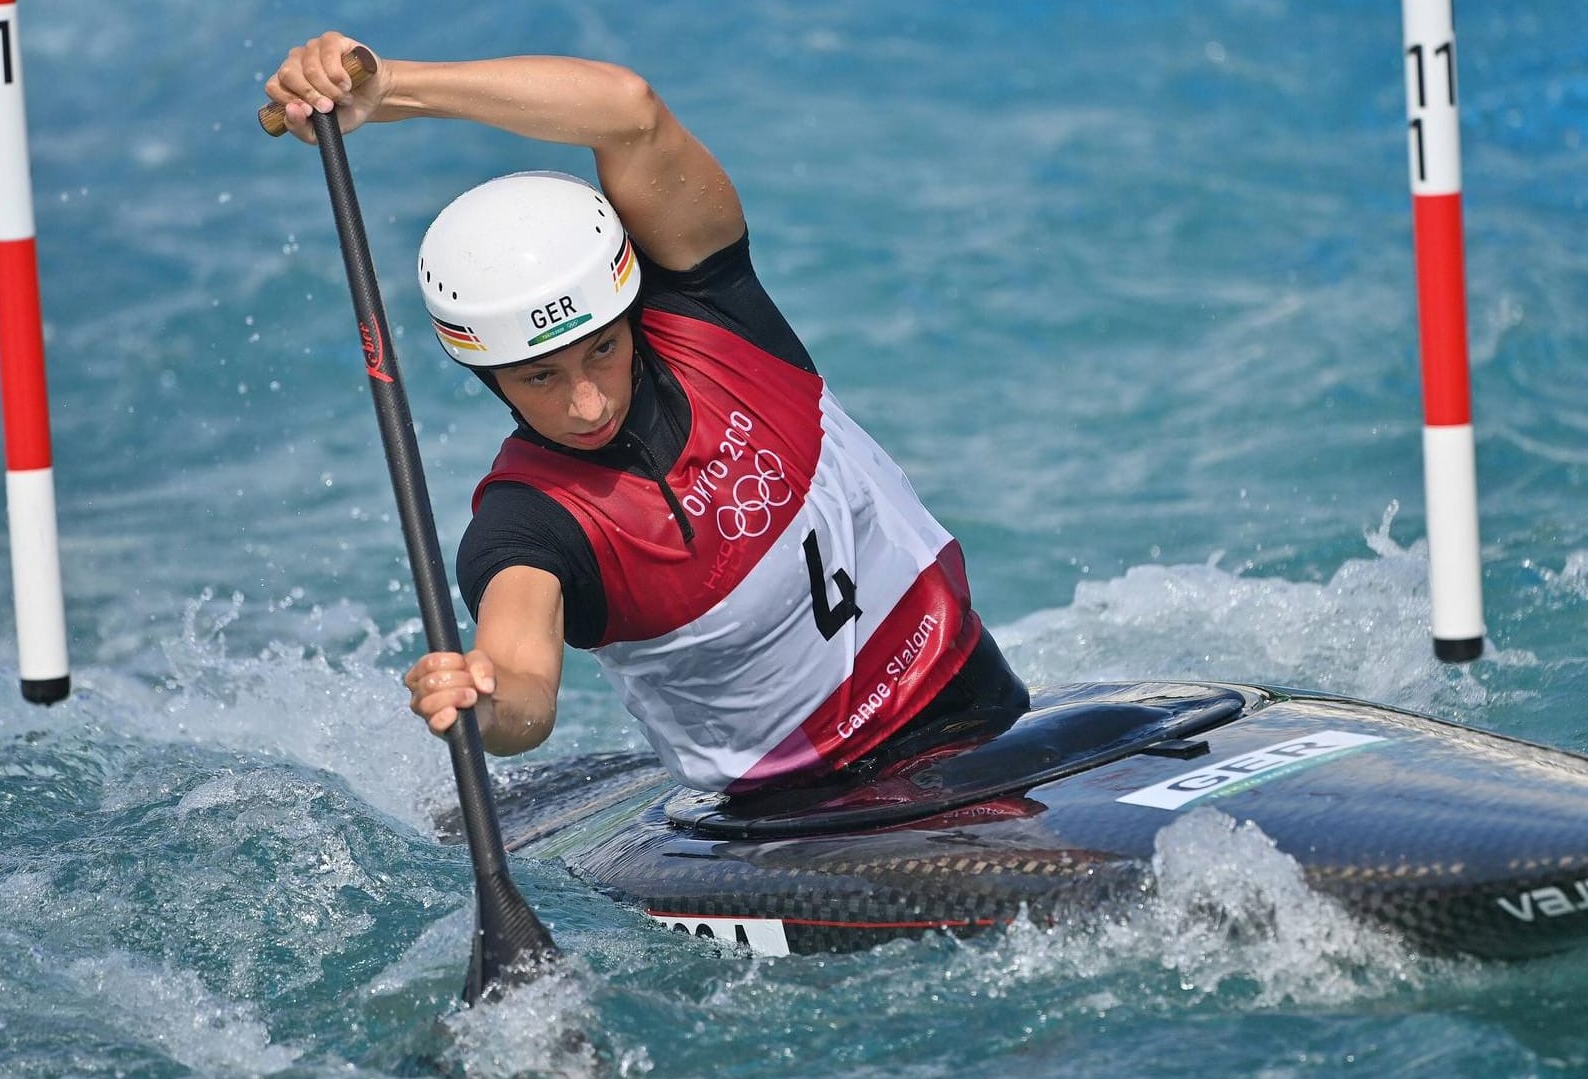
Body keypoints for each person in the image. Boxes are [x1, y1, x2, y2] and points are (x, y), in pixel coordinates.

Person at [267, 32, 1028, 795]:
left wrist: (391, 85)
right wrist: (484, 700)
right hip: (806, 814)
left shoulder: (713, 312)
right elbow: (526, 683)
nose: (587, 401)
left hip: (979, 705)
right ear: (488, 375)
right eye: (541, 376)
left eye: (601, 349)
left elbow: (628, 111)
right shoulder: (529, 522)